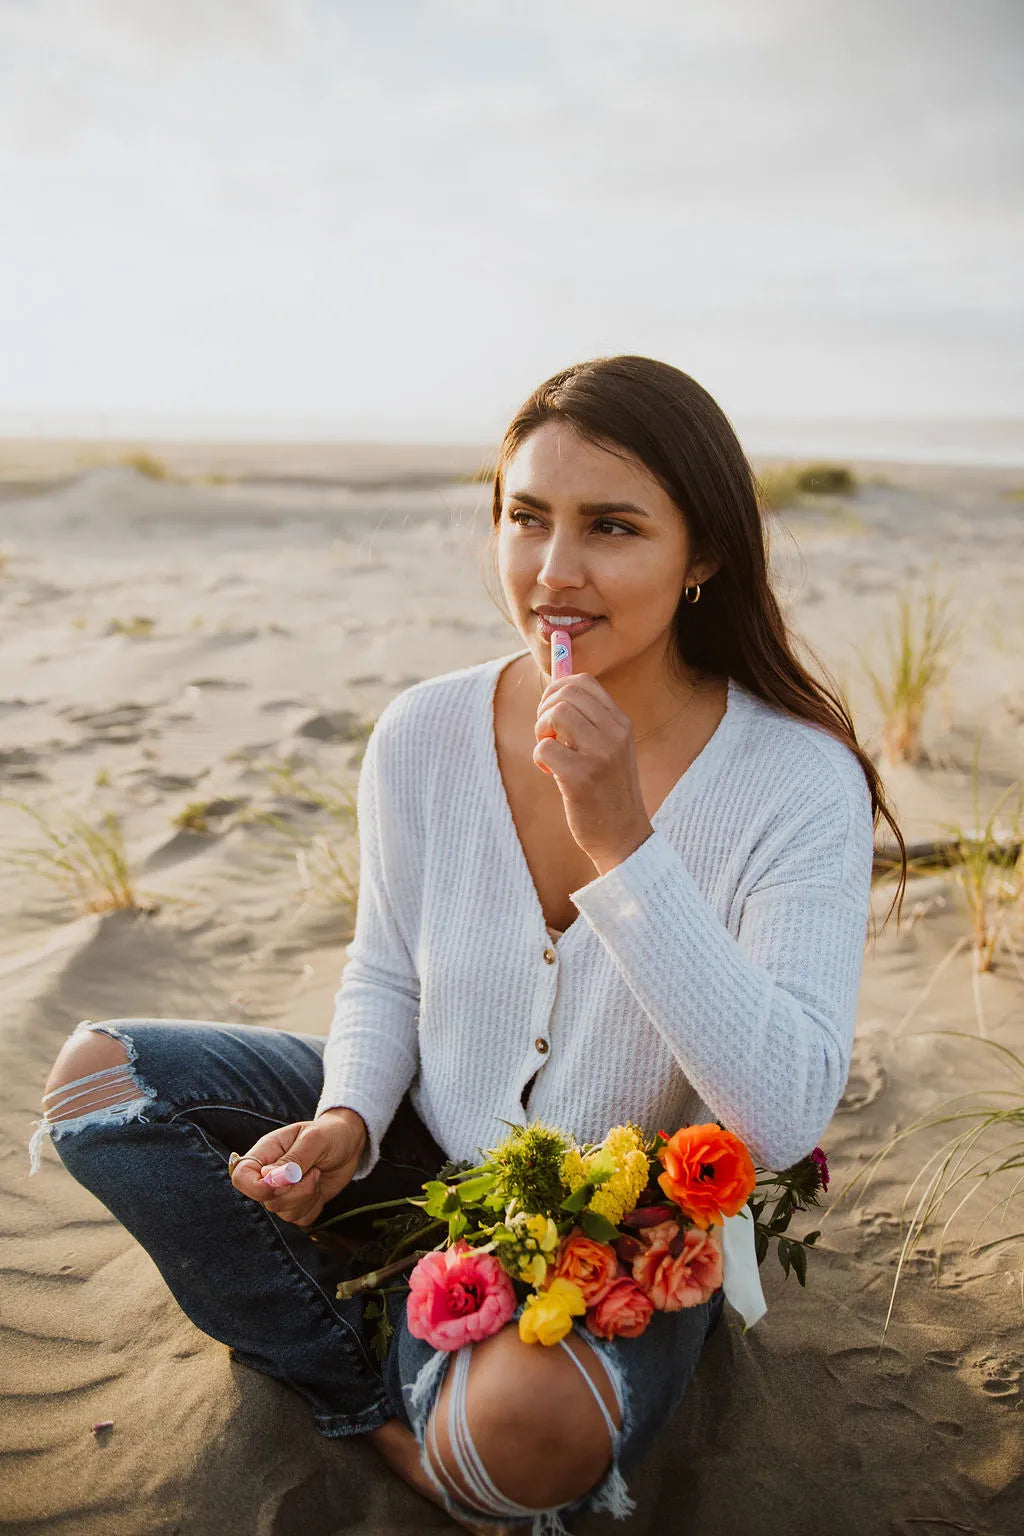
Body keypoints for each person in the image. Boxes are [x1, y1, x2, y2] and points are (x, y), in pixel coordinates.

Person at [32, 355, 906, 1536]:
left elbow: (785, 1112)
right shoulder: (425, 730)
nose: (554, 572)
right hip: (421, 1136)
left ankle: (450, 1376)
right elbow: (385, 967)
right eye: (525, 518)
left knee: (517, 1449)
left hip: (620, 1209)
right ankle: (367, 1394)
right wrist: (347, 1114)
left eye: (612, 528)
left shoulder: (795, 780)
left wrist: (623, 844)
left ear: (702, 557)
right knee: (101, 1085)